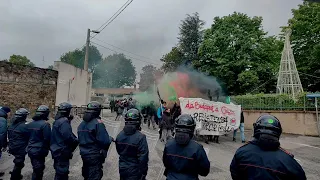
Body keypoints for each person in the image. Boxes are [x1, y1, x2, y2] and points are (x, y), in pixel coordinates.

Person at [230, 114, 306, 180]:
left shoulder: (241, 152)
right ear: (278, 133)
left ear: (256, 130)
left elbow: (235, 173)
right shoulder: (288, 161)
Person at [162, 114, 210, 179]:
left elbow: (166, 163)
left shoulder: (168, 144)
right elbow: (204, 171)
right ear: (192, 129)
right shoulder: (197, 148)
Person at [78, 101, 113, 180]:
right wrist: (110, 139)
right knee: (94, 176)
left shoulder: (82, 123)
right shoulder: (98, 123)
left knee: (86, 174)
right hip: (94, 155)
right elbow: (104, 141)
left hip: (84, 154)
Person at [115, 108, 149, 180]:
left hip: (122, 168)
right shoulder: (141, 137)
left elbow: (119, 151)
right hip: (135, 170)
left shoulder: (119, 135)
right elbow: (143, 158)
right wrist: (143, 173)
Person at [50, 102, 79, 180]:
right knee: (62, 173)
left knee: (59, 172)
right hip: (62, 151)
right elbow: (68, 137)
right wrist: (76, 141)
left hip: (57, 150)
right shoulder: (64, 122)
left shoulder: (58, 120)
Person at [27, 105, 51, 180]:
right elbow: (48, 138)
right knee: (38, 171)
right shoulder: (45, 124)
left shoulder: (30, 124)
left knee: (35, 168)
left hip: (30, 149)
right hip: (39, 150)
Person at [7, 108, 30, 180]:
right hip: (20, 148)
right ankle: (14, 176)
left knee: (18, 161)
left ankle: (17, 174)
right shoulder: (25, 126)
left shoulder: (12, 125)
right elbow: (29, 136)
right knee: (19, 162)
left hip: (12, 146)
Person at [0, 106, 11, 178]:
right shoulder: (2, 120)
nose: (10, 114)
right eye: (10, 113)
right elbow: (2, 133)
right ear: (7, 112)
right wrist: (4, 145)